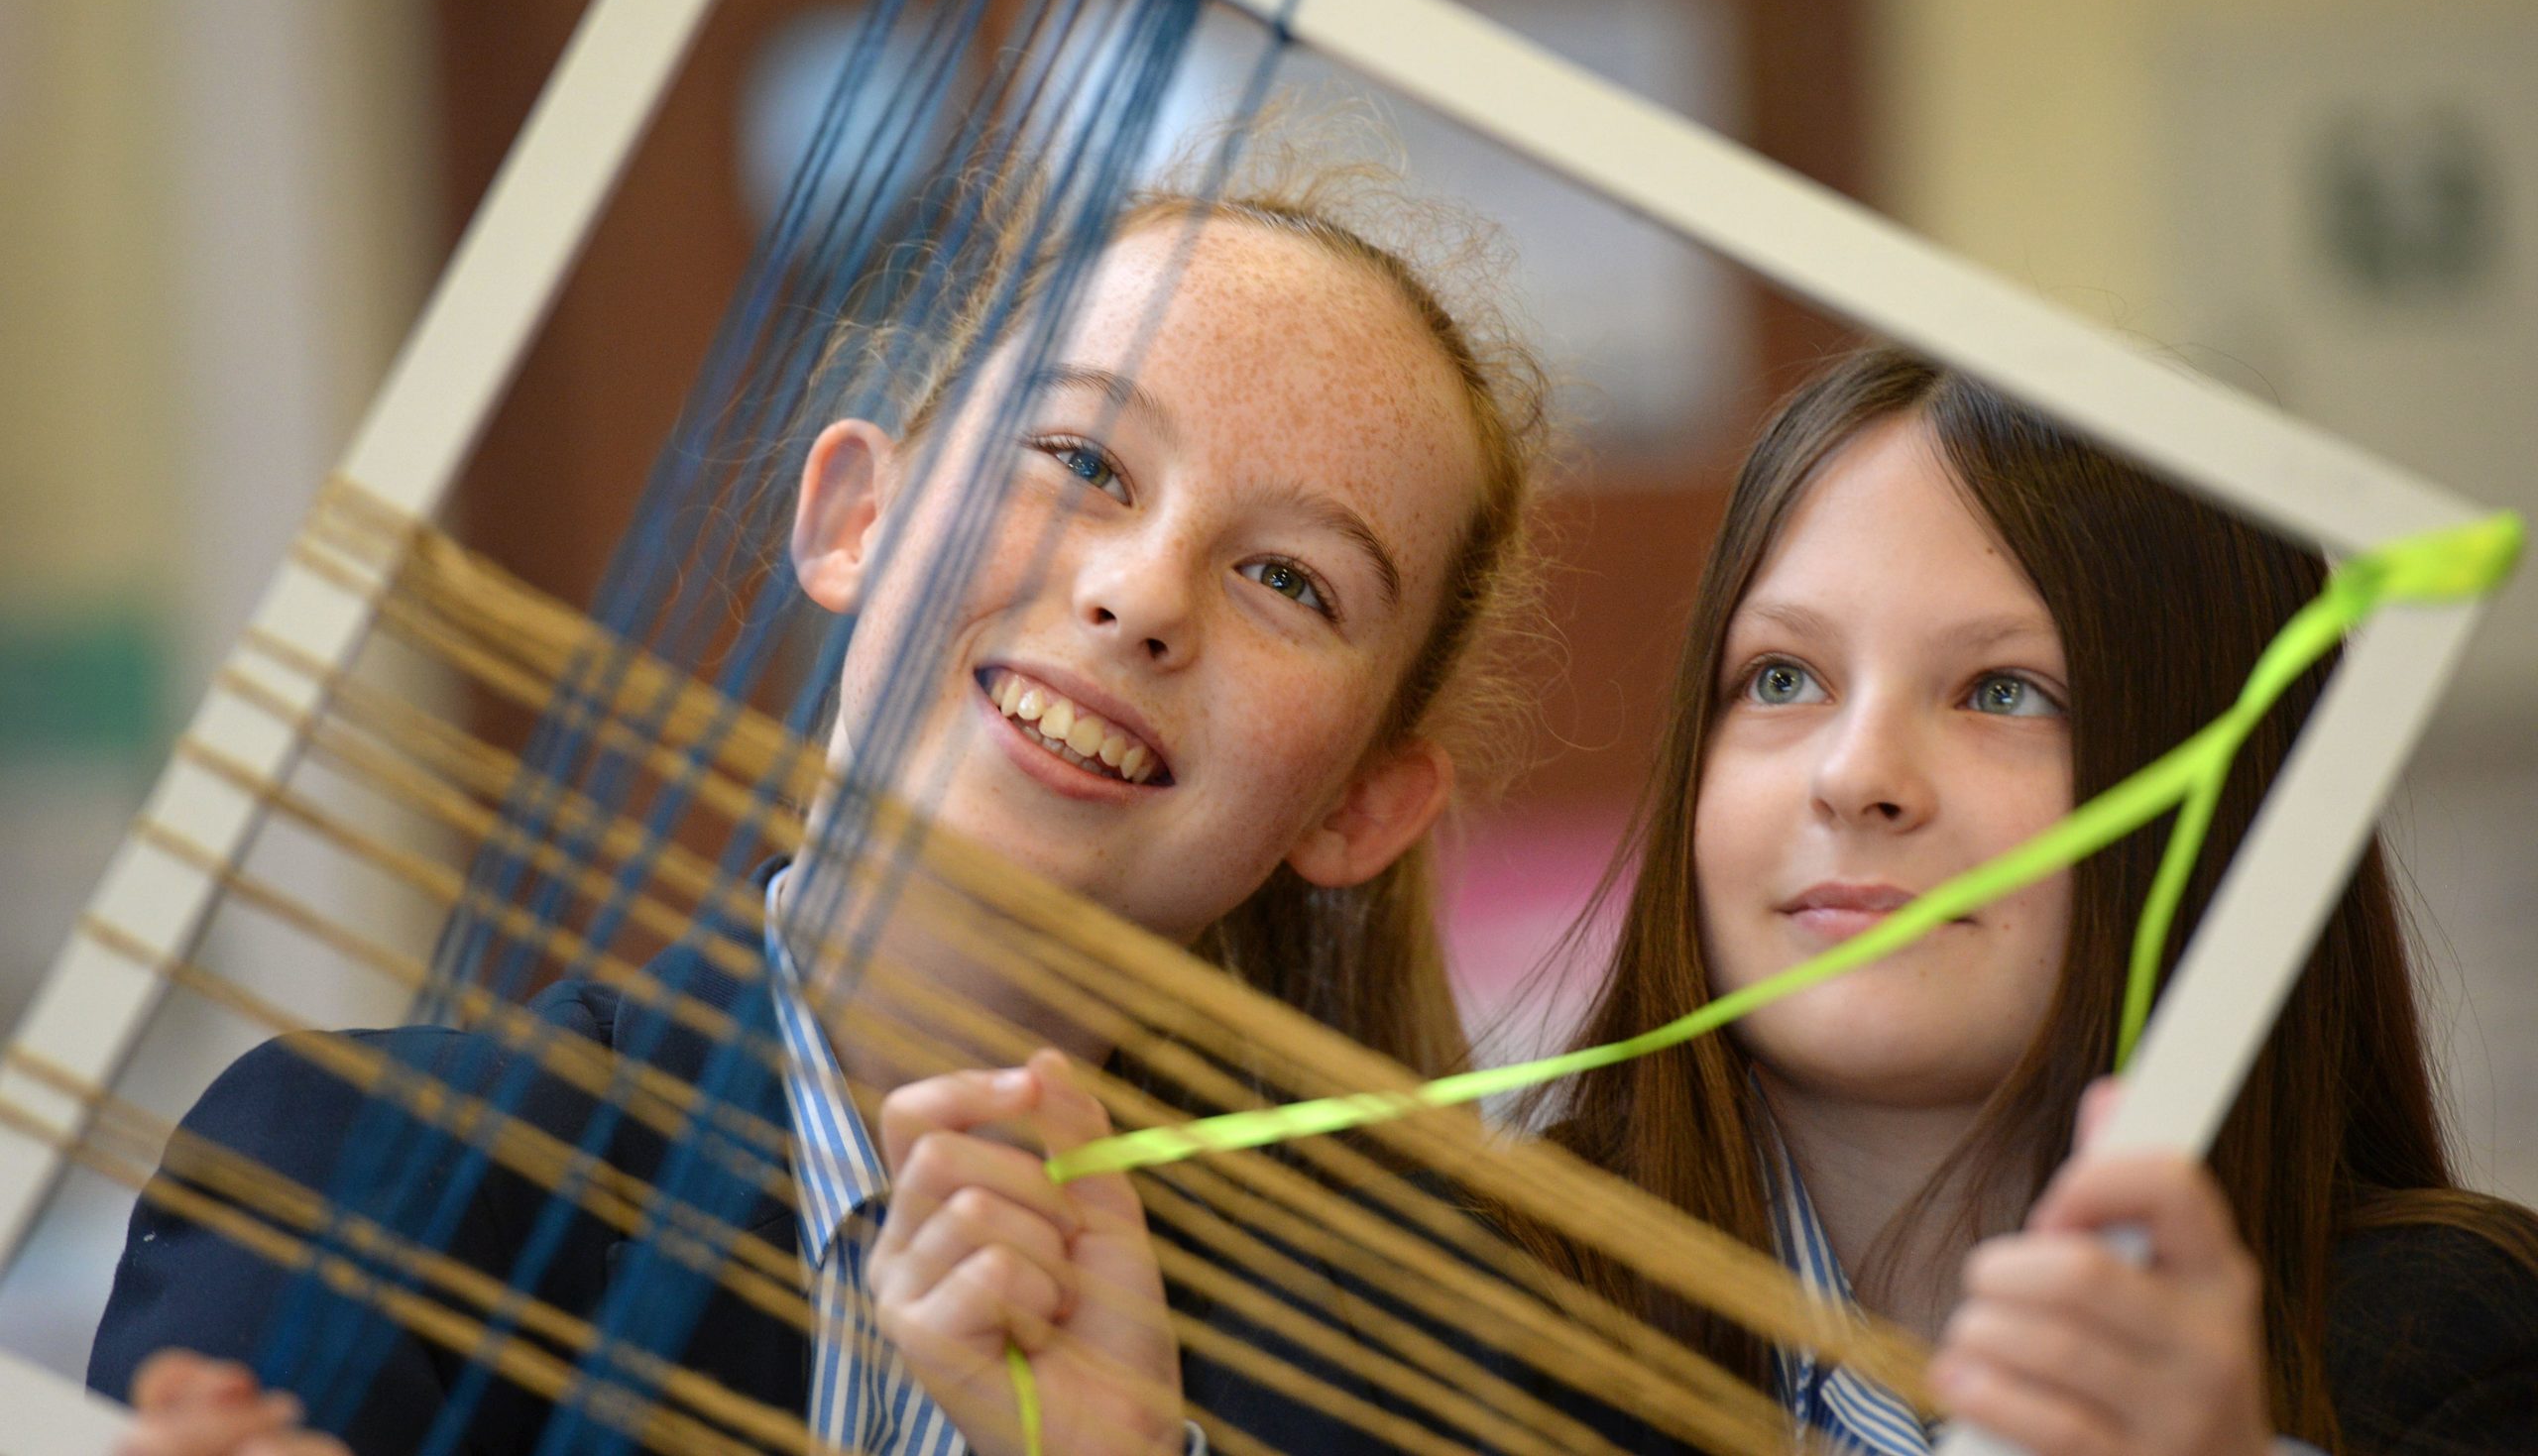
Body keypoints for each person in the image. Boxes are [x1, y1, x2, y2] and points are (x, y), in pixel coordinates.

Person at [88, 160, 1554, 1456]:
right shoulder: (357, 1171)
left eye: (1290, 580)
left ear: (1360, 807)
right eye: (1081, 462)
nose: (1143, 593)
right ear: (857, 518)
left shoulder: (1427, 1396)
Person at [1506, 346, 2538, 1454]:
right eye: (1782, 678)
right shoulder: (1473, 1297)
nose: (1854, 777)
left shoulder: (2455, 1348)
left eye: (2003, 693)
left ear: (2226, 795)